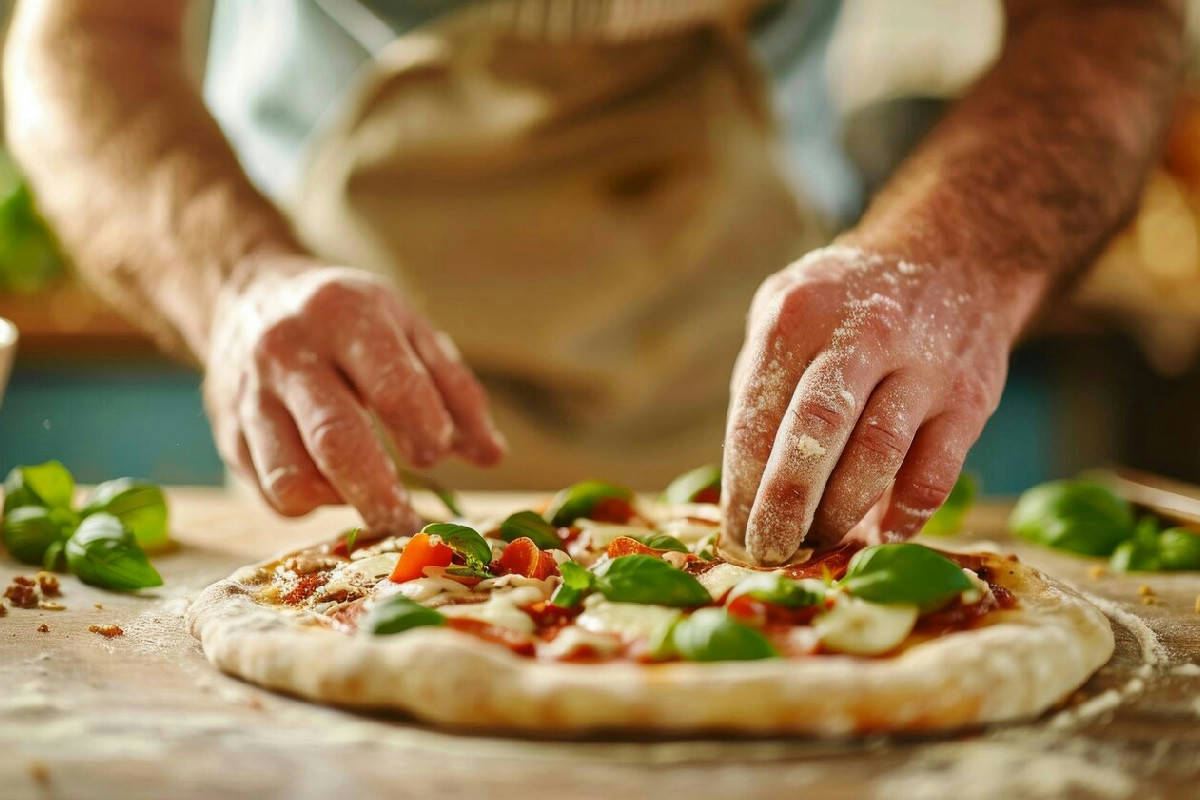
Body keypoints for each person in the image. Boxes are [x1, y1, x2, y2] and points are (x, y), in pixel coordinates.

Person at [4, 0, 1184, 565]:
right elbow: (84, 39)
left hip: (765, 381)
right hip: (335, 392)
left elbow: (1106, 22)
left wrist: (961, 258)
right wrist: (236, 282)